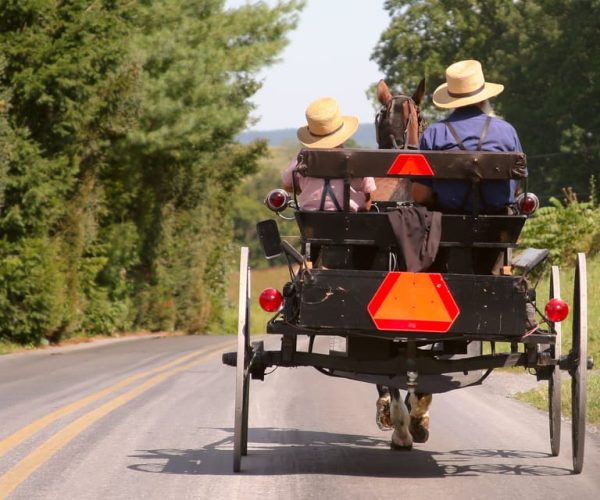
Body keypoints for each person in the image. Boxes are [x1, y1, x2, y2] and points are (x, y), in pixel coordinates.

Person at [411, 59, 523, 214]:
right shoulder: (507, 131)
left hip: (446, 224)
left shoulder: (433, 134)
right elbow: (517, 186)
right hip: (498, 223)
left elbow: (420, 194)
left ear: (452, 101)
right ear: (484, 98)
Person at [282, 97, 376, 212]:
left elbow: (287, 185)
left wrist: (308, 190)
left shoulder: (301, 158)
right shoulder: (358, 160)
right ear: (343, 135)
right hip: (352, 221)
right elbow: (368, 196)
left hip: (311, 222)